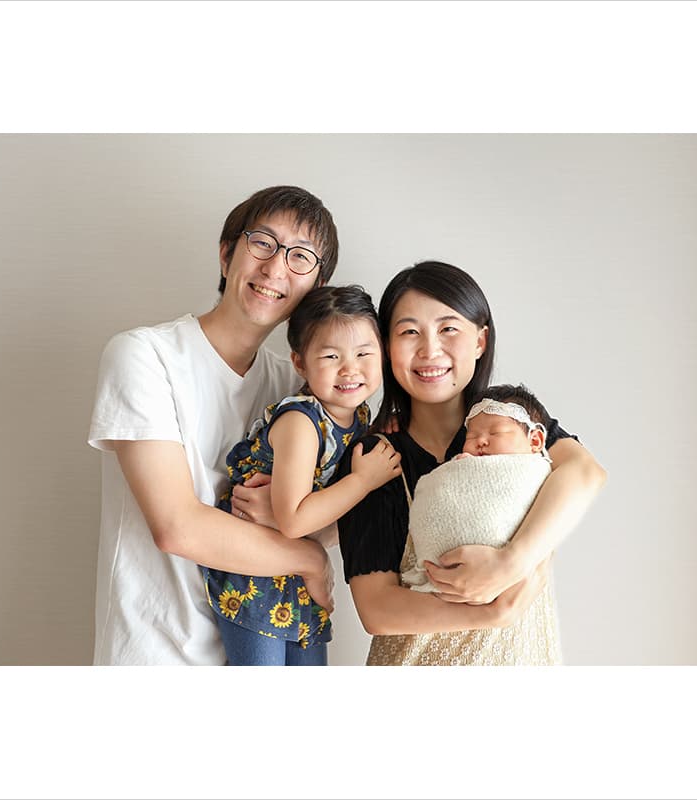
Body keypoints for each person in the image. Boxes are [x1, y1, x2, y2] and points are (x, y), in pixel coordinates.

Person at [87, 185, 343, 665]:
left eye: (300, 256)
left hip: (265, 648)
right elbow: (177, 527)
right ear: (227, 255)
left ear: (316, 286)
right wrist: (307, 556)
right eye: (262, 243)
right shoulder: (144, 356)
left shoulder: (300, 388)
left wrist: (293, 517)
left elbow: (334, 521)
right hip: (156, 657)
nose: (275, 268)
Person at [336, 261, 607, 666]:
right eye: (409, 332)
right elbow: (377, 610)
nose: (430, 350)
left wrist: (510, 563)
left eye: (448, 328)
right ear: (386, 347)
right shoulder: (373, 459)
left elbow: (585, 472)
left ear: (480, 341)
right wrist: (492, 613)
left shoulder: (512, 423)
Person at [201, 285, 402, 666]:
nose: (350, 369)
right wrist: (363, 481)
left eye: (364, 353)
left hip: (296, 577)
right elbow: (293, 520)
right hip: (255, 573)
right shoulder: (301, 421)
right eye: (331, 356)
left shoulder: (357, 417)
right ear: (299, 363)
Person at [400, 383, 563, 665]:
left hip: (516, 628)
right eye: (472, 435)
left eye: (495, 433)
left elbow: (586, 473)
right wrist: (459, 470)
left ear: (535, 440)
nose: (480, 442)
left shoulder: (538, 470)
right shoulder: (460, 460)